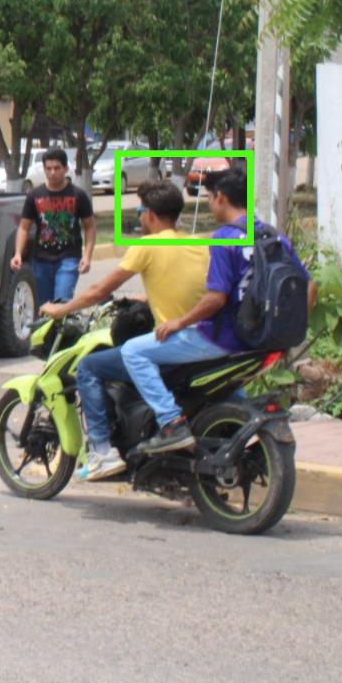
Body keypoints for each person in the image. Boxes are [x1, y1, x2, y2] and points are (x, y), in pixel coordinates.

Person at [120, 167, 314, 458]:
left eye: (210, 197)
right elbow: (309, 288)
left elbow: (216, 299)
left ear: (220, 197)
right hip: (261, 341)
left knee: (134, 351)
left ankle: (171, 424)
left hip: (223, 339)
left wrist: (178, 322)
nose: (210, 203)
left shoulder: (225, 239)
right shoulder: (272, 237)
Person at [39, 178, 209, 481]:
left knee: (90, 367)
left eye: (141, 210)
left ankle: (102, 451)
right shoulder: (197, 244)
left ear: (151, 215)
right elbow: (188, 289)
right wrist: (144, 298)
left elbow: (98, 290)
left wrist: (59, 309)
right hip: (201, 341)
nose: (140, 217)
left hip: (173, 344)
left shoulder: (148, 245)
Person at [10, 147, 96, 306]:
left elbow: (89, 227)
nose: (52, 172)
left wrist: (87, 256)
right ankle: (49, 332)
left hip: (69, 258)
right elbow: (24, 227)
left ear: (66, 168)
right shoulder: (34, 196)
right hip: (41, 260)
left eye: (57, 168)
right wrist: (18, 254)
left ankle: (60, 330)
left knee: (61, 302)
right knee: (44, 307)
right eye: (48, 168)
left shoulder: (78, 195)